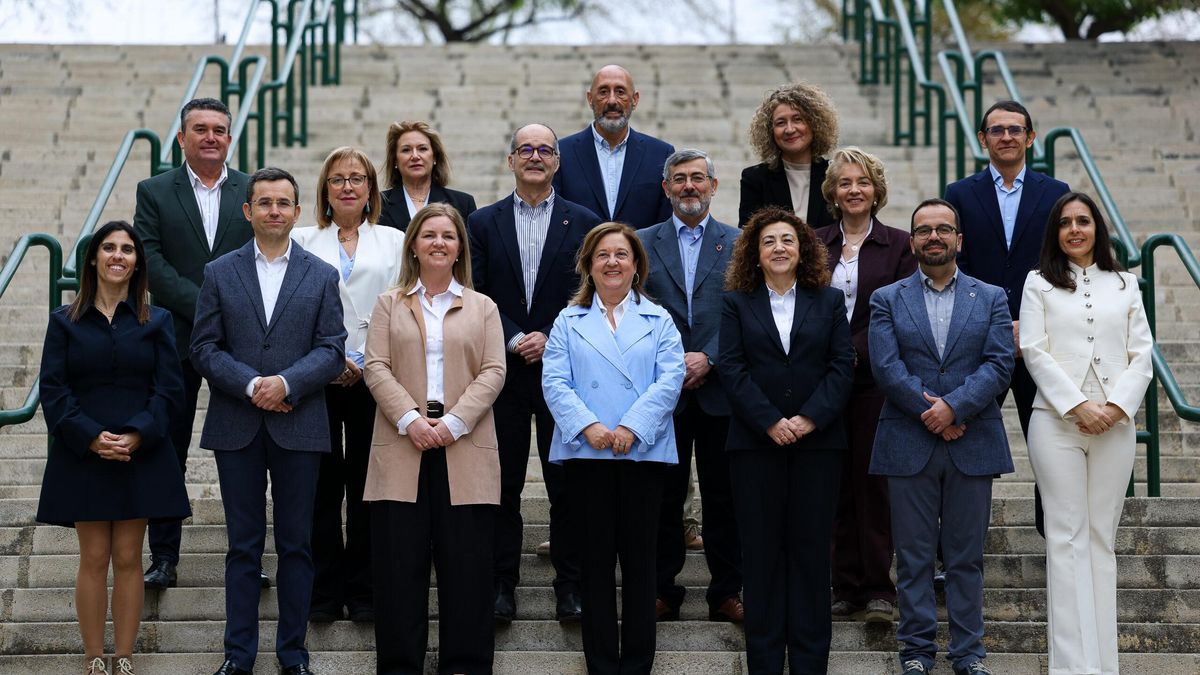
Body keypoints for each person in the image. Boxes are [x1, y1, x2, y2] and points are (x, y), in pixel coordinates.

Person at [191, 167, 346, 675]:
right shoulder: (220, 271)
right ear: (248, 211)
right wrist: (253, 384)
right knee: (243, 545)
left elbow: (331, 349)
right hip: (237, 423)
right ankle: (239, 655)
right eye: (264, 203)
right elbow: (204, 348)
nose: (274, 211)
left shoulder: (322, 274)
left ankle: (293, 654)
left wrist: (286, 383)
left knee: (297, 543)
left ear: (297, 212)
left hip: (300, 422)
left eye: (284, 203)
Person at [868, 198, 1015, 675]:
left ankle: (969, 654)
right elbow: (886, 367)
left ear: (959, 239)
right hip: (907, 442)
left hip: (973, 442)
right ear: (911, 242)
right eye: (924, 230)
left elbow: (999, 363)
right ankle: (915, 651)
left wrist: (955, 406)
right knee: (911, 557)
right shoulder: (887, 298)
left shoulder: (991, 296)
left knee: (966, 557)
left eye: (943, 229)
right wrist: (932, 411)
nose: (934, 237)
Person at [38, 221, 191, 675]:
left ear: (137, 263)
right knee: (93, 556)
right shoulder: (64, 322)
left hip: (138, 451)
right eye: (109, 247)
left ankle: (123, 656)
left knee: (128, 556)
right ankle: (93, 658)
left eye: (127, 249)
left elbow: (169, 389)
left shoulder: (155, 320)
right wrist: (89, 436)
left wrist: (138, 433)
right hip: (83, 451)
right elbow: (54, 388)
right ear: (93, 258)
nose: (118, 255)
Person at [363, 203, 506, 675]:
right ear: (414, 246)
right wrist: (410, 418)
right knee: (398, 570)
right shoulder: (389, 303)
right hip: (403, 446)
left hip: (464, 448)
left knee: (467, 571)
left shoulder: (483, 306)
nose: (439, 243)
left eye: (448, 235)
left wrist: (452, 423)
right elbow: (376, 366)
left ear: (459, 246)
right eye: (429, 235)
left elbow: (494, 371)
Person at [468, 123, 602, 623]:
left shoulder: (584, 220)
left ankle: (571, 587)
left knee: (565, 483)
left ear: (557, 162)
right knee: (500, 484)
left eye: (545, 149)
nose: (535, 156)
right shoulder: (482, 222)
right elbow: (474, 290)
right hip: (499, 371)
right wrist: (512, 336)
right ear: (511, 161)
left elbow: (591, 289)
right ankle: (501, 586)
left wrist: (548, 334)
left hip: (563, 370)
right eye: (525, 149)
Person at [542, 222, 685, 674]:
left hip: (642, 454)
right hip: (589, 455)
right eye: (602, 254)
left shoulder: (658, 318)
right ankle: (602, 664)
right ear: (588, 263)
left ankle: (638, 664)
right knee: (595, 566)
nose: (612, 262)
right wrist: (590, 427)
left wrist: (630, 426)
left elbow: (671, 379)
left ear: (636, 264)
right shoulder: (568, 319)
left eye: (621, 254)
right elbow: (554, 380)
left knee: (642, 566)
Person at [1019, 192, 1153, 675]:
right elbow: (1034, 350)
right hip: (1055, 423)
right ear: (1054, 232)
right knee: (1065, 538)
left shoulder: (1125, 283)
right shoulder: (1038, 283)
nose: (1075, 229)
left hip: (1115, 426)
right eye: (1065, 223)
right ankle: (1071, 667)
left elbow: (1143, 354)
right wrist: (1077, 405)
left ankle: (1104, 666)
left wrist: (1116, 407)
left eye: (1084, 221)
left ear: (1098, 227)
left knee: (1101, 538)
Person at [718, 207, 855, 674]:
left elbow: (842, 367)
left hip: (818, 446)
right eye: (769, 242)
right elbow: (732, 368)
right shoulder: (737, 302)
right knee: (760, 554)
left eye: (788, 241)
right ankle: (765, 661)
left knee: (811, 553)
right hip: (755, 447)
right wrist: (771, 422)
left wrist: (809, 419)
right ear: (755, 254)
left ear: (803, 251)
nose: (779, 248)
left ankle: (811, 662)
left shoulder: (829, 301)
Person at [133, 97, 255, 590]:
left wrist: (227, 310)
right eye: (199, 129)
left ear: (230, 138)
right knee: (168, 448)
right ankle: (163, 555)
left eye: (219, 130)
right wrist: (206, 302)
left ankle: (249, 554)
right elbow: (151, 260)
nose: (210, 137)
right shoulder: (155, 190)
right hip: (175, 338)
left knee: (246, 454)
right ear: (181, 138)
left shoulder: (253, 189)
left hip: (242, 342)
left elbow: (265, 252)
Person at [943, 100, 1070, 536]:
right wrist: (997, 325)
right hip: (980, 341)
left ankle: (1054, 537)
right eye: (996, 130)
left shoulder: (1056, 193)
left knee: (1053, 445)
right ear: (983, 140)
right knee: (967, 440)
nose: (1007, 137)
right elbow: (957, 266)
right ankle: (957, 544)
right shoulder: (959, 194)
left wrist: (1029, 325)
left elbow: (1061, 262)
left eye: (1016, 129)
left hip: (1043, 341)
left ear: (1030, 138)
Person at [291, 146, 405, 623]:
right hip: (317, 376)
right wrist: (331, 359)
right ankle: (321, 594)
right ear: (324, 189)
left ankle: (365, 593)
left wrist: (364, 360)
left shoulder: (395, 240)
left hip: (375, 375)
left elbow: (402, 304)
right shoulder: (300, 239)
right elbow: (293, 311)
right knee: (319, 487)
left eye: (357, 178)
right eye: (338, 179)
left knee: (366, 486)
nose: (348, 187)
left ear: (371, 189)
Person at [637, 149, 743, 623]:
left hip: (722, 391)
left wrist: (711, 357)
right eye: (679, 179)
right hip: (663, 393)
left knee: (725, 497)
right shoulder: (641, 242)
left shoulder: (740, 243)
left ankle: (726, 592)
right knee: (661, 498)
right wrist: (671, 362)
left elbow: (748, 310)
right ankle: (661, 590)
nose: (689, 187)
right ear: (666, 188)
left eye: (698, 178)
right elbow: (633, 310)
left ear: (714, 187)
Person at [814, 147, 916, 623]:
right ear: (831, 192)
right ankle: (844, 585)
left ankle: (878, 587)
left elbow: (897, 315)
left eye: (863, 182)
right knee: (833, 485)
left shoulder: (899, 246)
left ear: (876, 190)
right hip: (822, 384)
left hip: (876, 382)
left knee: (872, 485)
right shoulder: (814, 243)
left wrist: (848, 353)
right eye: (844, 183)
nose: (854, 190)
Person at [554, 65, 675, 229]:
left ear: (635, 99)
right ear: (590, 99)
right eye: (603, 92)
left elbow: (665, 225)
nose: (612, 100)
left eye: (620, 92)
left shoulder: (661, 154)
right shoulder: (562, 153)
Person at [738, 83, 839, 230]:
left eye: (798, 119)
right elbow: (747, 237)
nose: (790, 129)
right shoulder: (755, 179)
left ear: (814, 124)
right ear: (770, 131)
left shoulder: (834, 174)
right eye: (781, 123)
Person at [378, 120, 477, 232]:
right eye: (406, 150)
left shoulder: (463, 203)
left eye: (422, 149)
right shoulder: (377, 204)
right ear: (395, 160)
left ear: (435, 157)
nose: (415, 156)